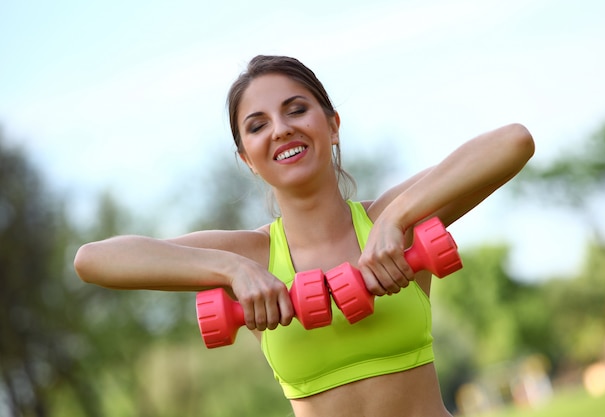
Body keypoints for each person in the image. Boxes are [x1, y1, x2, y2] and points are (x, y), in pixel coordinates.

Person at [74, 55, 535, 417]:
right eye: (258, 125)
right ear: (247, 159)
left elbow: (513, 142)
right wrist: (232, 269)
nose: (281, 129)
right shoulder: (252, 255)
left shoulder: (387, 224)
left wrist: (397, 217)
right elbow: (94, 260)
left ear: (332, 126)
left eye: (296, 110)